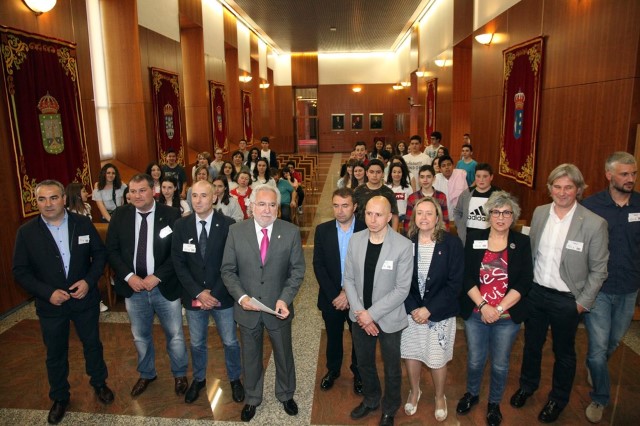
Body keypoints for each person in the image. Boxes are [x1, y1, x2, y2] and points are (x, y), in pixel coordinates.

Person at [510, 164, 609, 424]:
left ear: (578, 189)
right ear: (550, 189)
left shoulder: (594, 223)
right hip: (537, 294)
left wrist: (581, 304)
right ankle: (527, 386)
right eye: (557, 186)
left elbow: (599, 270)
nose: (562, 192)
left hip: (568, 301)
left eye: (568, 187)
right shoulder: (540, 213)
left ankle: (558, 398)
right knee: (531, 345)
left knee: (564, 353)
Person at [13, 180, 113, 424]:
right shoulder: (26, 232)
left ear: (64, 199)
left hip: (84, 299)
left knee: (92, 344)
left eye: (54, 198)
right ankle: (59, 397)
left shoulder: (82, 223)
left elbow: (99, 254)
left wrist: (89, 281)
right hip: (51, 306)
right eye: (42, 199)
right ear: (36, 202)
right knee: (55, 352)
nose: (48, 204)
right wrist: (47, 293)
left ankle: (99, 383)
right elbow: (20, 271)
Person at [221, 184, 306, 422]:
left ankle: (286, 394)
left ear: (277, 208)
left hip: (278, 308)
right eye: (261, 204)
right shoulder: (236, 231)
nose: (266, 210)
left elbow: (297, 270)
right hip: (247, 308)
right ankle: (252, 398)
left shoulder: (289, 231)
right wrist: (241, 297)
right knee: (250, 356)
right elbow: (228, 270)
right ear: (251, 207)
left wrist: (285, 298)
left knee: (284, 354)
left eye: (272, 205)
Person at [106, 174, 189, 398]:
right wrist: (129, 276)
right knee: (140, 335)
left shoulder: (171, 214)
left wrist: (158, 276)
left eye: (141, 190)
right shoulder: (120, 215)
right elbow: (111, 251)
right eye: (132, 191)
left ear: (153, 190)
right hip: (134, 289)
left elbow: (177, 252)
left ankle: (180, 374)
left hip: (164, 287)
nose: (136, 196)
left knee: (175, 335)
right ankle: (146, 373)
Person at [457, 191, 533, 426]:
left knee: (500, 363)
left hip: (507, 315)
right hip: (477, 312)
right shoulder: (474, 238)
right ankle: (472, 394)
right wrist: (483, 305)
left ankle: (494, 403)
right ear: (488, 215)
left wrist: (498, 308)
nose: (501, 217)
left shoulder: (521, 243)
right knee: (475, 360)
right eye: (496, 212)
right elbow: (466, 276)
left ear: (514, 217)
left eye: (506, 212)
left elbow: (525, 281)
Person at [172, 180, 245, 405]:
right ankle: (199, 379)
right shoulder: (181, 226)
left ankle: (235, 379)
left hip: (222, 296)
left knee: (231, 341)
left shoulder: (229, 225)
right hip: (194, 297)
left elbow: (232, 263)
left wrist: (213, 292)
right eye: (194, 196)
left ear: (214, 198)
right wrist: (198, 293)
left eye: (204, 196)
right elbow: (178, 263)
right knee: (196, 343)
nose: (199, 200)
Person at [343, 196, 413, 426]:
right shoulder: (355, 240)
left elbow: (402, 289)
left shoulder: (402, 245)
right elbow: (349, 279)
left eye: (379, 214)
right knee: (364, 362)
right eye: (369, 214)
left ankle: (390, 407)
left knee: (392, 367)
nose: (372, 220)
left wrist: (370, 314)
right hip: (360, 315)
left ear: (390, 216)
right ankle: (371, 399)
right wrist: (361, 312)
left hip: (389, 318)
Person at [581, 152, 640, 423]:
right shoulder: (591, 206)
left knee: (613, 341)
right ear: (609, 175)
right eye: (624, 174)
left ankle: (596, 365)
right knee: (597, 346)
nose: (630, 179)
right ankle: (600, 398)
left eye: (633, 173)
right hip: (599, 289)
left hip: (629, 288)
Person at [401, 196, 463, 422]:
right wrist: (413, 309)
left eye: (429, 213)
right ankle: (414, 391)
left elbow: (455, 284)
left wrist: (428, 310)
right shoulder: (405, 242)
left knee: (437, 358)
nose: (424, 217)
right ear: (413, 217)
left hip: (440, 314)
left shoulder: (451, 243)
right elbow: (399, 281)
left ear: (438, 217)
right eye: (419, 213)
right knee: (411, 354)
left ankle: (439, 396)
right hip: (411, 313)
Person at [313, 188, 366, 395]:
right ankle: (333, 370)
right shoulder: (322, 230)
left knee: (359, 339)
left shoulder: (365, 229)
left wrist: (348, 293)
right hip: (331, 298)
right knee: (333, 337)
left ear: (354, 207)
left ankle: (359, 372)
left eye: (345, 205)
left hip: (358, 297)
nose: (340, 210)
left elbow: (367, 267)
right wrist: (336, 295)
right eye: (336, 205)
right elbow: (318, 265)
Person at [453, 163, 499, 244]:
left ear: (491, 177)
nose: (481, 180)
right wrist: (460, 226)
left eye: (485, 176)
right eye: (478, 176)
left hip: (489, 238)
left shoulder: (498, 194)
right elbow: (457, 211)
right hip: (468, 237)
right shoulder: (466, 193)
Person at [354, 159, 399, 230]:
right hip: (361, 231)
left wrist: (394, 235)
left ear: (383, 174)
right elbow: (352, 213)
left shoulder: (389, 193)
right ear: (367, 173)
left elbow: (394, 215)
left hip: (383, 232)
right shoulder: (358, 191)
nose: (374, 175)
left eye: (378, 172)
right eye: (371, 172)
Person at [405, 165, 449, 233]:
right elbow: (408, 222)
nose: (425, 180)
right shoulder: (412, 198)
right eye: (422, 177)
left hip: (437, 234)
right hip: (417, 234)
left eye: (428, 177)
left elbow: (445, 220)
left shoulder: (441, 196)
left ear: (434, 178)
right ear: (419, 179)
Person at [433, 155, 468, 222]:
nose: (447, 167)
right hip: (441, 217)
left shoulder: (460, 176)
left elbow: (466, 196)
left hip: (458, 216)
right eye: (443, 166)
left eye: (449, 164)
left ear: (453, 166)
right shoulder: (437, 178)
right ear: (440, 169)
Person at [385, 163, 413, 227]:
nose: (396, 174)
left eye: (399, 172)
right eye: (394, 172)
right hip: (389, 218)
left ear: (402, 174)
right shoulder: (386, 187)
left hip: (404, 218)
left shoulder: (408, 188)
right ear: (390, 173)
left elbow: (411, 205)